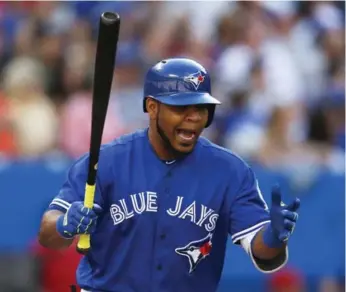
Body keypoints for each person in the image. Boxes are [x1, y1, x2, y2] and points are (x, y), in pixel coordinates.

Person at [38, 58, 300, 292]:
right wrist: (64, 224)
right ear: (152, 107)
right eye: (181, 108)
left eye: (201, 109)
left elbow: (262, 252)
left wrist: (274, 237)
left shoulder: (231, 170)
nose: (193, 118)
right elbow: (48, 232)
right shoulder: (106, 161)